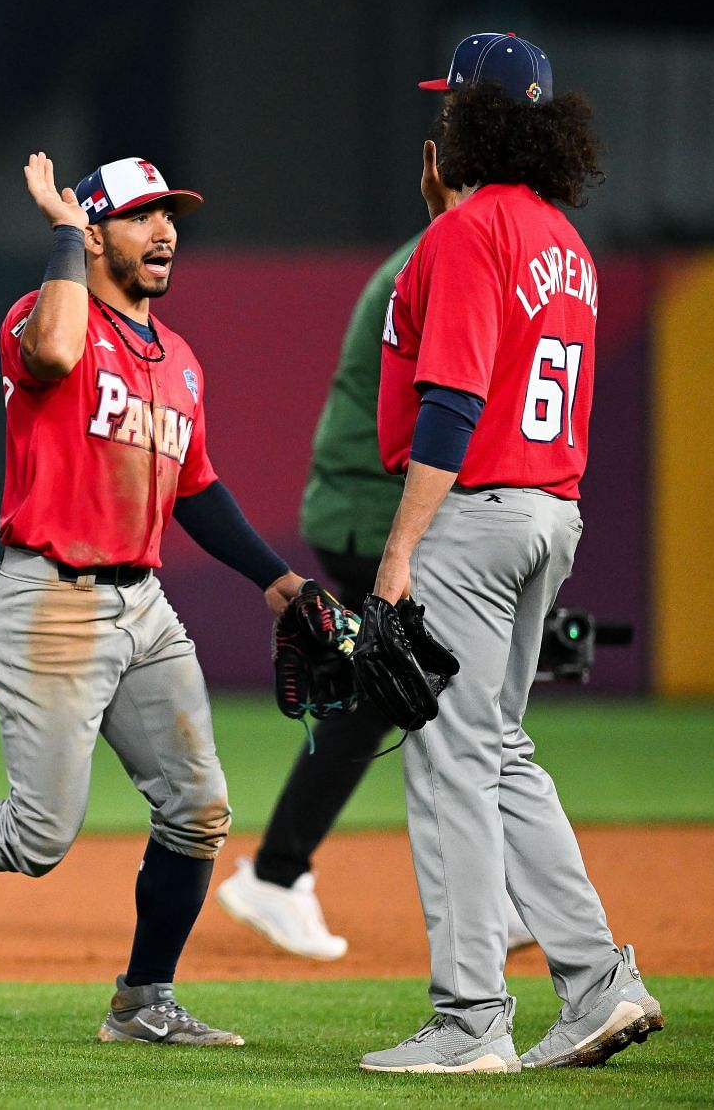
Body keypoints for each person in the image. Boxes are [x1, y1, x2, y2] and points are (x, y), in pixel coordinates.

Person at [0, 154, 316, 1048]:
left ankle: (143, 1001)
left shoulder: (180, 359)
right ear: (94, 234)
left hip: (144, 604)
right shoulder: (41, 312)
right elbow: (54, 352)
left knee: (198, 805)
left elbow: (198, 489)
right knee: (40, 834)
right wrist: (61, 233)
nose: (166, 231)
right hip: (46, 599)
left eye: (170, 215)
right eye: (142, 216)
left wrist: (278, 581)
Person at [358, 33, 662, 1074]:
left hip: (475, 516)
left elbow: (452, 401)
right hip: (550, 515)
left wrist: (399, 551)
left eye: (453, 105)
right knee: (499, 750)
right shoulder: (564, 242)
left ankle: (470, 1019)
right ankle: (596, 985)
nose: (441, 120)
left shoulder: (466, 231)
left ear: (478, 121)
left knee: (446, 760)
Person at [214, 216, 533, 962]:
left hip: (367, 509)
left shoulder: (434, 255)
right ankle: (485, 897)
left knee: (387, 702)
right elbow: (442, 409)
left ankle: (280, 871)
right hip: (374, 514)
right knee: (436, 698)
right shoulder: (440, 260)